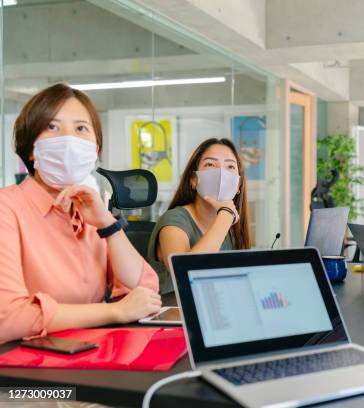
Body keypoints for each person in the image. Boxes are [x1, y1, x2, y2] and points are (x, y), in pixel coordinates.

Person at [0, 84, 161, 345]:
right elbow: (7, 318)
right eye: (52, 127)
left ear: (95, 150)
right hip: (24, 373)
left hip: (88, 356)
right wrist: (113, 311)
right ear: (31, 149)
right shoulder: (6, 208)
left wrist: (107, 224)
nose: (68, 140)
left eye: (81, 128)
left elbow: (143, 290)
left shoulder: (89, 213)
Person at [147, 138, 251, 294]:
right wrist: (226, 214)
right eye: (210, 164)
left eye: (230, 166)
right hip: (175, 314)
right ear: (194, 180)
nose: (221, 173)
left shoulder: (231, 229)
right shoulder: (174, 220)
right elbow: (186, 272)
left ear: (238, 185)